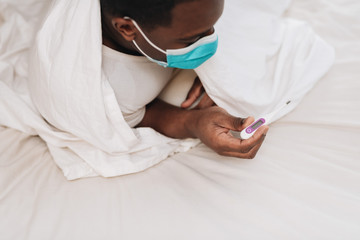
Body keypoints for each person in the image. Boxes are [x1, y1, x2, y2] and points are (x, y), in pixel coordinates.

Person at [100, 0, 269, 159]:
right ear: (127, 28)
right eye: (191, 40)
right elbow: (139, 116)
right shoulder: (112, 88)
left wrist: (210, 71)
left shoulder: (182, 18)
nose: (211, 41)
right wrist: (195, 123)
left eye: (213, 26)